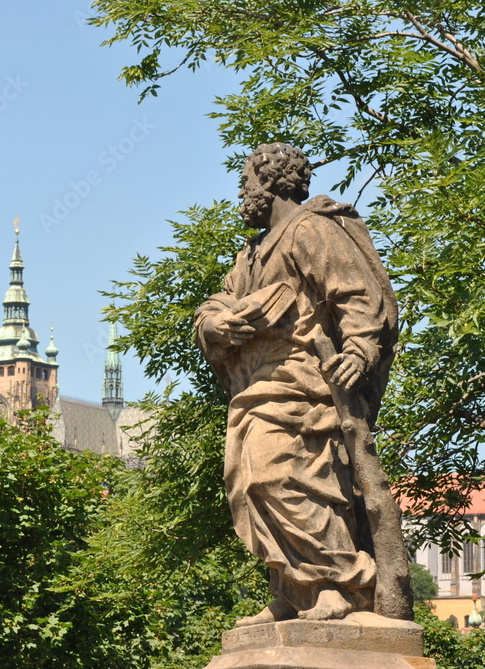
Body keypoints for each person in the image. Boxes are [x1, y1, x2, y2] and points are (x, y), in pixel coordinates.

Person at [194, 143, 399, 625]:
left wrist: (360, 350)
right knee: (248, 485)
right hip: (253, 387)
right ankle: (291, 589)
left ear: (270, 182)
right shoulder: (252, 253)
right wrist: (216, 326)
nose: (242, 190)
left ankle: (337, 580)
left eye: (246, 180)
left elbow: (354, 292)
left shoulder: (309, 229)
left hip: (301, 384)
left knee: (287, 476)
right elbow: (215, 303)